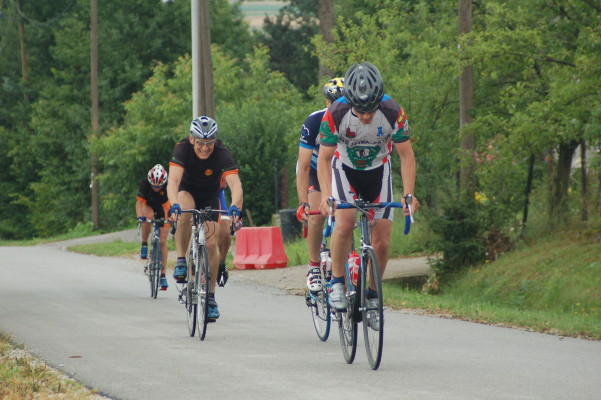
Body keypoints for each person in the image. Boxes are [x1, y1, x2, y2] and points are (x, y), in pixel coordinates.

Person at [317, 62, 420, 314]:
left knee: (382, 242)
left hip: (378, 171)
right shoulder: (335, 113)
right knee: (344, 224)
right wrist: (326, 195)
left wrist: (409, 195)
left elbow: (406, 155)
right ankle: (337, 282)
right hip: (345, 170)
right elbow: (324, 159)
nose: (365, 116)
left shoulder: (393, 111)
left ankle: (373, 294)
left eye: (370, 110)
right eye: (360, 111)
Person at [167, 116, 243, 320]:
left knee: (210, 245)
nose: (205, 148)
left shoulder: (221, 152)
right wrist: (173, 204)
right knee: (184, 211)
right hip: (187, 191)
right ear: (192, 139)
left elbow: (235, 184)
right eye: (200, 143)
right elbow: (173, 181)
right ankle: (181, 260)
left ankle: (210, 297)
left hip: (210, 195)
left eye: (209, 143)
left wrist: (235, 206)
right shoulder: (182, 148)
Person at [296, 77, 344, 292]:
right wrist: (303, 203)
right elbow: (304, 166)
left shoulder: (355, 121)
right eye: (336, 103)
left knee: (346, 216)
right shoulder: (314, 121)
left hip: (341, 170)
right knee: (316, 216)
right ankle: (314, 265)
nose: (342, 109)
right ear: (327, 103)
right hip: (315, 169)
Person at [136, 164, 171, 291]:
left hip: (163, 205)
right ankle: (144, 244)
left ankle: (163, 275)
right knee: (148, 216)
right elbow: (139, 203)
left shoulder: (169, 184)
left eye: (159, 186)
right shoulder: (144, 183)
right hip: (148, 204)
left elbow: (172, 202)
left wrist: (172, 217)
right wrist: (140, 217)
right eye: (154, 186)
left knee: (162, 241)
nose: (156, 188)